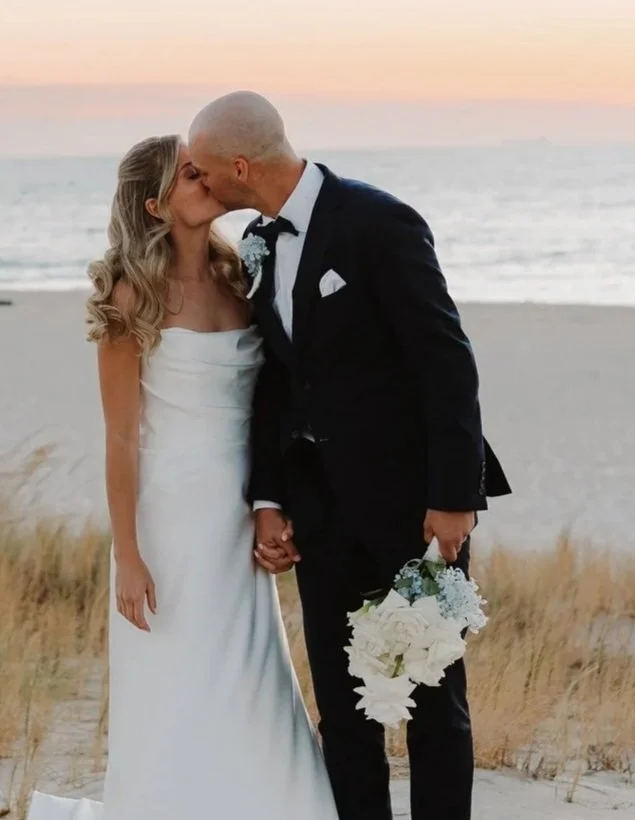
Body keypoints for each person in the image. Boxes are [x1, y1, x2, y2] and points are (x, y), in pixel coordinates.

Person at [188, 92, 511, 820]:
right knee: (344, 706)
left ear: (241, 165)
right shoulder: (257, 243)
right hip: (320, 514)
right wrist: (268, 498)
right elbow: (275, 379)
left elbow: (446, 363)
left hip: (412, 508)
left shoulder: (379, 222)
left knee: (432, 701)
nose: (201, 188)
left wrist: (455, 497)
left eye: (204, 174)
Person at [26, 136, 338, 820]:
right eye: (190, 175)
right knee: (177, 679)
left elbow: (272, 403)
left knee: (251, 674)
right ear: (156, 203)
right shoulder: (131, 295)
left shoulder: (239, 279)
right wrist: (128, 555)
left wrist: (273, 501)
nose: (208, 181)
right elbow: (120, 437)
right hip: (168, 520)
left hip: (238, 511)